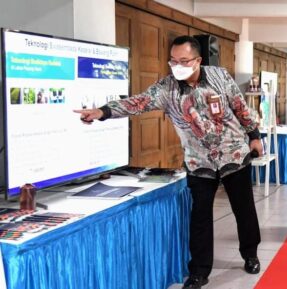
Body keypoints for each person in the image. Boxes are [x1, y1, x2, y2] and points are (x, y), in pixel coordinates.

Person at [74, 35, 263, 289]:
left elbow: (240, 108)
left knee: (244, 209)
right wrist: (103, 112)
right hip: (199, 162)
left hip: (234, 155)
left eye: (183, 61)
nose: (177, 66)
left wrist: (254, 136)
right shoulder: (167, 89)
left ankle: (250, 254)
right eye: (173, 61)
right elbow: (137, 102)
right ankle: (199, 271)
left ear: (198, 60)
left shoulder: (219, 76)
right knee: (200, 217)